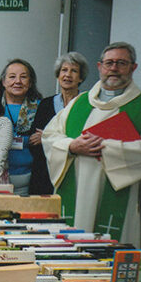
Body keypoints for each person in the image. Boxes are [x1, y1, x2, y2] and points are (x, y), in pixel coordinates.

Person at [42, 42, 141, 246]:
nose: (114, 68)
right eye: (109, 63)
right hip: (76, 187)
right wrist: (72, 146)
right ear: (100, 66)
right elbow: (50, 135)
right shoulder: (79, 102)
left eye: (121, 63)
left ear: (133, 67)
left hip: (114, 192)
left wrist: (106, 147)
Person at [28, 52, 89, 195]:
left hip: (75, 170)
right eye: (64, 70)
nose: (68, 75)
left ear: (80, 78)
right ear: (58, 75)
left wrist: (48, 137)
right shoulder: (45, 104)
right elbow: (33, 140)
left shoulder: (86, 105)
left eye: (74, 71)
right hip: (44, 172)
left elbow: (85, 138)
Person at [0, 59, 44, 195]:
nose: (18, 81)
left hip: (31, 178)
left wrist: (46, 136)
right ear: (3, 81)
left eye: (23, 77)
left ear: (30, 83)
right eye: (12, 77)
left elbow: (56, 135)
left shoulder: (42, 107)